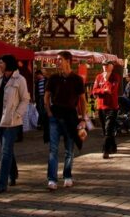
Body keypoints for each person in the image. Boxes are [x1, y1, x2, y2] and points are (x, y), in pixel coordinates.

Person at [44, 51, 88, 190]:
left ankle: (67, 176)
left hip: (70, 116)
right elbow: (46, 96)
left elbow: (82, 100)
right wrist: (49, 112)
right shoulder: (53, 78)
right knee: (53, 149)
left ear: (68, 61)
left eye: (60, 59)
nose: (57, 62)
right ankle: (52, 179)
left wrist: (83, 119)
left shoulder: (77, 79)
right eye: (56, 59)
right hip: (55, 116)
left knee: (69, 149)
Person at [0, 54, 30, 194]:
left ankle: (1, 184)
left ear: (8, 64)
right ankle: (13, 174)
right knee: (7, 150)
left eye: (1, 63)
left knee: (5, 152)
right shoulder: (1, 78)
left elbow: (25, 99)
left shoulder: (20, 79)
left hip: (11, 121)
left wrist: (18, 114)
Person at [92, 60, 120, 159]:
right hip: (101, 106)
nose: (105, 67)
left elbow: (112, 90)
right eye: (103, 65)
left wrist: (106, 80)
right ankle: (113, 147)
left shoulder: (115, 77)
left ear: (111, 66)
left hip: (112, 106)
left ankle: (106, 150)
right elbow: (94, 91)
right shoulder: (98, 77)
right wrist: (103, 90)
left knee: (108, 129)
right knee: (105, 129)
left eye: (107, 65)